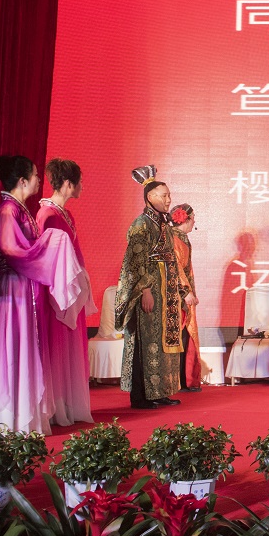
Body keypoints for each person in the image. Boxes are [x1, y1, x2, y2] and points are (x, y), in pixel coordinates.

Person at [0, 156, 92, 433]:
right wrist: (52, 243)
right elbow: (13, 250)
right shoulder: (8, 211)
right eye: (36, 176)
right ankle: (9, 416)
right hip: (12, 289)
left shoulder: (20, 209)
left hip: (24, 287)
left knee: (24, 350)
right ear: (22, 181)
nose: (40, 180)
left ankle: (23, 412)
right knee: (12, 351)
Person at [117, 165, 183, 409]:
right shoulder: (141, 224)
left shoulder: (163, 225)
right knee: (146, 341)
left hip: (164, 292)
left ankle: (160, 390)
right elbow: (136, 260)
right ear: (149, 197)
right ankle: (141, 396)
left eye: (169, 195)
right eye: (164, 196)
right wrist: (145, 290)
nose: (168, 200)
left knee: (161, 340)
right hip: (149, 291)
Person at [37, 157, 95, 426]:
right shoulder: (47, 215)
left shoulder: (65, 214)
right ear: (69, 184)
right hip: (57, 292)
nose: (82, 186)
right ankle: (56, 405)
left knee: (70, 347)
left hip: (72, 289)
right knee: (57, 347)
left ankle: (69, 404)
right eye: (79, 182)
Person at [170, 204, 203, 392]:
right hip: (174, 295)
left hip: (183, 294)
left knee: (184, 336)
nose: (194, 221)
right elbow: (174, 268)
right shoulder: (172, 238)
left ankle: (185, 379)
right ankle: (176, 380)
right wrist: (184, 292)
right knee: (177, 336)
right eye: (193, 217)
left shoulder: (182, 238)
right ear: (186, 219)